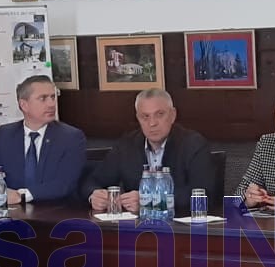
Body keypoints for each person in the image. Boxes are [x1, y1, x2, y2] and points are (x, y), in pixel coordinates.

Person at [83, 89, 217, 213]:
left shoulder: (193, 144)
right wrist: (94, 195)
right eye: (145, 116)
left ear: (173, 115)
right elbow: (91, 182)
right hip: (137, 227)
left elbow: (204, 194)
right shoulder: (126, 145)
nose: (152, 123)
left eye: (159, 114)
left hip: (180, 225)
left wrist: (151, 201)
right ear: (138, 118)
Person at [0, 75, 86, 204]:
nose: (51, 104)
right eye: (43, 98)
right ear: (24, 105)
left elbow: (65, 184)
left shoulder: (71, 137)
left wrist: (21, 196)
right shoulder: (6, 134)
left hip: (54, 211)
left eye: (53, 97)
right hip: (12, 211)